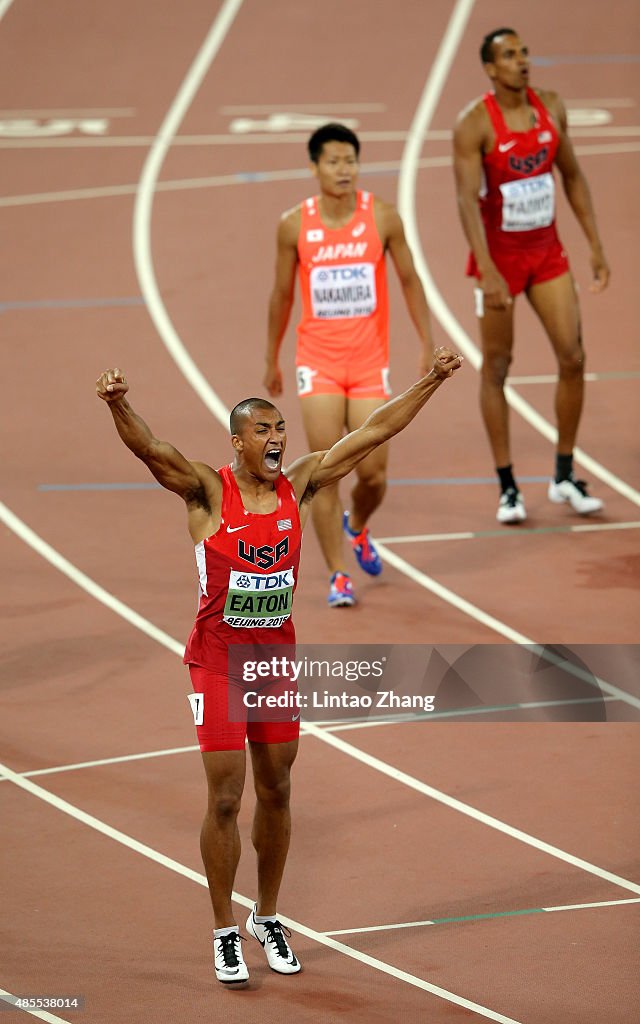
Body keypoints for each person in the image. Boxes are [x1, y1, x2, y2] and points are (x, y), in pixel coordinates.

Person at [96, 347, 461, 985]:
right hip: (217, 663)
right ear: (237, 442)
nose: (277, 437)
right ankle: (222, 931)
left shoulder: (304, 482)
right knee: (226, 796)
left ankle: (268, 916)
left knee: (278, 790)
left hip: (277, 663)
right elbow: (151, 450)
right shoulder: (208, 491)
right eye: (263, 430)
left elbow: (377, 430)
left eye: (281, 428)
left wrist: (430, 378)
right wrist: (119, 405)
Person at [264, 122, 436, 605]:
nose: (344, 169)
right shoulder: (294, 224)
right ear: (315, 166)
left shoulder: (382, 217)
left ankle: (357, 525)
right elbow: (280, 295)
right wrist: (272, 356)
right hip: (317, 360)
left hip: (367, 363)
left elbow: (410, 279)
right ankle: (339, 573)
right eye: (334, 161)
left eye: (351, 160)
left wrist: (426, 342)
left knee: (374, 473)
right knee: (323, 472)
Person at [453, 27, 610, 524]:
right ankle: (508, 488)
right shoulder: (475, 124)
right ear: (490, 68)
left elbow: (573, 175)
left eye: (524, 52)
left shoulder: (552, 107)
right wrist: (488, 270)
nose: (521, 61)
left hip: (546, 254)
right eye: (509, 55)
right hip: (500, 260)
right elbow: (465, 202)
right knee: (497, 367)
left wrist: (595, 244)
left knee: (573, 355)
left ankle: (564, 475)